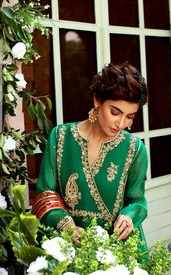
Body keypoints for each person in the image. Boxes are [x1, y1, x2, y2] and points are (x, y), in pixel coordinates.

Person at [32, 61, 148, 254]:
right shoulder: (61, 137)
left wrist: (128, 217)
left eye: (130, 117)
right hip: (65, 247)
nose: (121, 123)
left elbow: (138, 202)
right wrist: (66, 227)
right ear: (97, 100)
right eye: (115, 112)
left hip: (116, 251)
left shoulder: (135, 149)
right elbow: (45, 195)